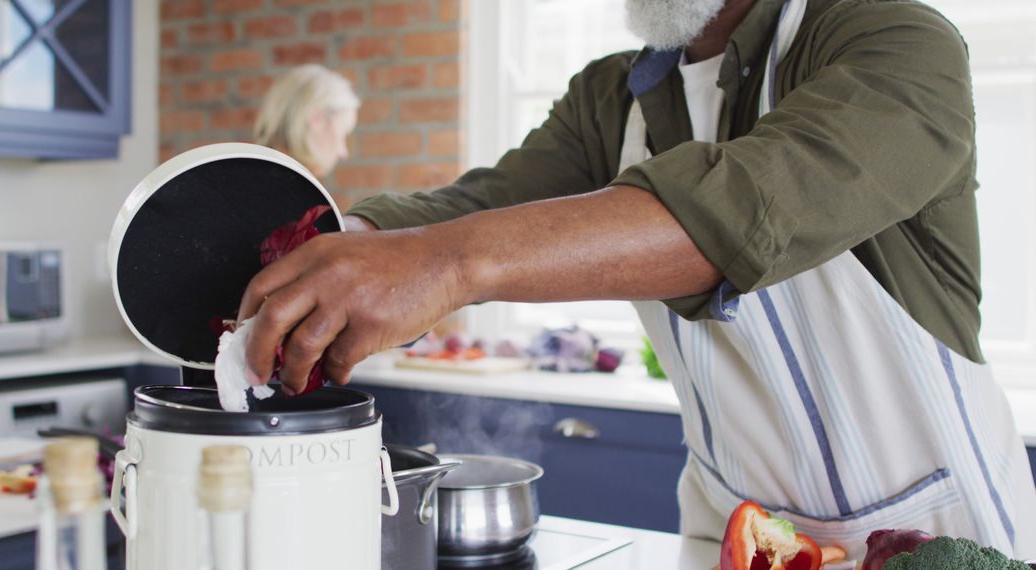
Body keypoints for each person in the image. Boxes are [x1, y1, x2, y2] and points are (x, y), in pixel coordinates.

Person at [237, 0, 1036, 559]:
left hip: (935, 535)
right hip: (732, 530)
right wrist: (341, 249)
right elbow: (476, 204)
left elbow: (732, 214)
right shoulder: (610, 97)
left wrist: (441, 265)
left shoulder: (896, 43)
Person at [253, 64, 359, 208]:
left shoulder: (246, 180)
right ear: (318, 118)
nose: (343, 153)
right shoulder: (292, 201)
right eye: (342, 134)